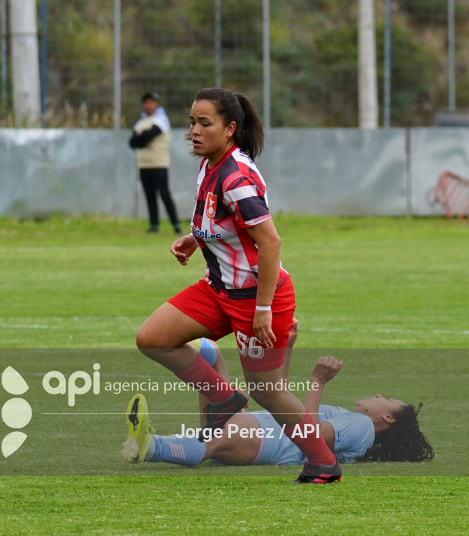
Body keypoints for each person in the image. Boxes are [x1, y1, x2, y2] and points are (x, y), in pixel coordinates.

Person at [135, 87, 342, 484]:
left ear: (230, 129)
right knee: (153, 337)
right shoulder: (211, 164)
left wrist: (263, 309)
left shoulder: (236, 176)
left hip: (257, 297)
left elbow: (270, 242)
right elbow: (228, 224)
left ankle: (323, 463)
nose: (194, 131)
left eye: (204, 123)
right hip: (219, 289)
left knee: (267, 391)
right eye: (192, 122)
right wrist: (196, 239)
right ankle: (223, 396)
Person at [123, 326, 435, 469]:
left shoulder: (363, 427)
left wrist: (318, 381)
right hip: (262, 426)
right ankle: (154, 442)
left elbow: (307, 434)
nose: (380, 395)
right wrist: (286, 348)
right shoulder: (353, 422)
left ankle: (153, 447)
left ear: (388, 417)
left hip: (268, 442)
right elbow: (278, 398)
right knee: (212, 354)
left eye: (389, 399)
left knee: (211, 441)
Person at [129, 92, 182, 234]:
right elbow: (132, 142)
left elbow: (149, 135)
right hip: (144, 164)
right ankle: (154, 225)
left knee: (164, 194)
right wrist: (143, 137)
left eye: (151, 102)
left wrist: (142, 137)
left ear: (157, 104)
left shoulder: (161, 120)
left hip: (159, 164)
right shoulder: (141, 122)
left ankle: (176, 224)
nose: (148, 105)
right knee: (149, 196)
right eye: (146, 102)